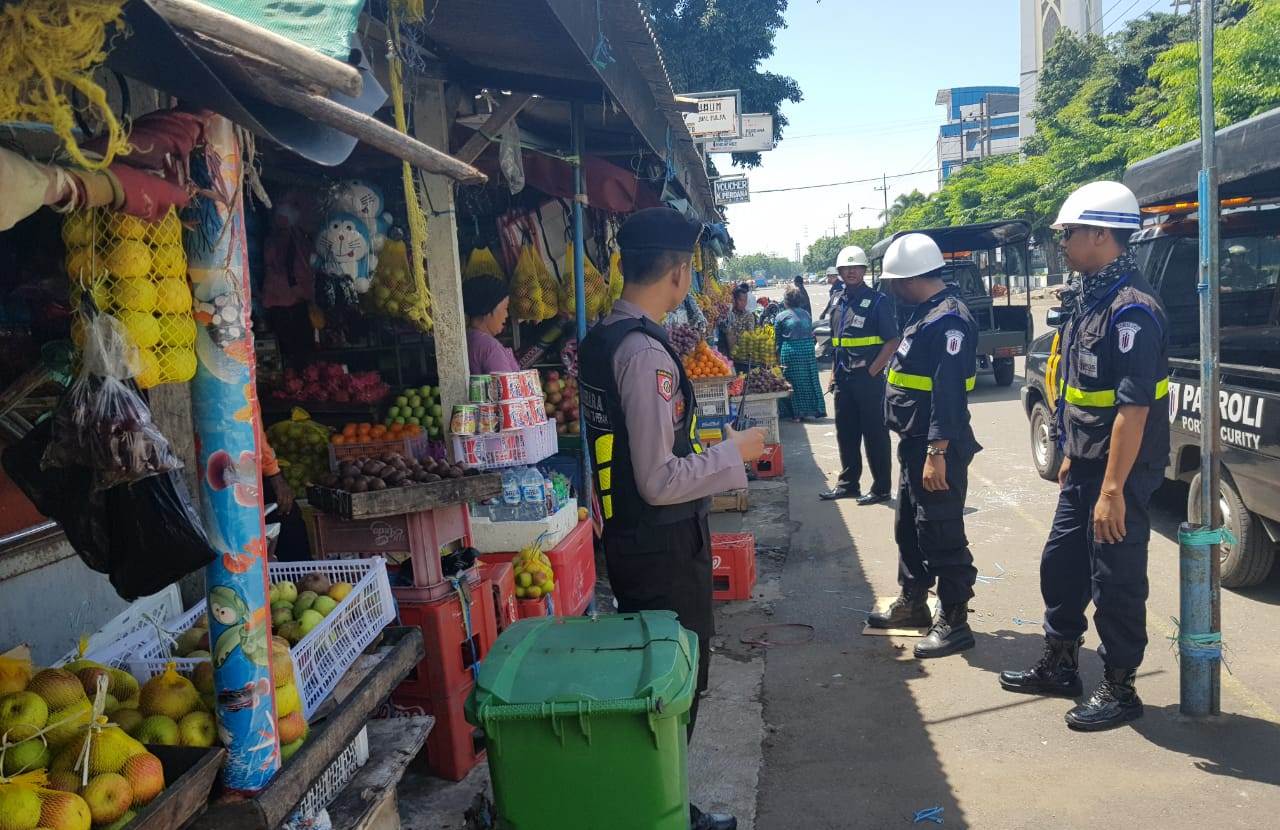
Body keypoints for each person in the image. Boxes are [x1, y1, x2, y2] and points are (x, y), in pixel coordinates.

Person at [579, 207, 765, 830]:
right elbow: (659, 481)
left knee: (655, 684)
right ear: (681, 274)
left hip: (631, 538)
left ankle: (662, 805)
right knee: (674, 687)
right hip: (660, 546)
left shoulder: (601, 340)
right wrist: (732, 455)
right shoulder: (646, 356)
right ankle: (663, 812)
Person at [998, 181, 1169, 731]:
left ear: (1102, 233)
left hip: (1120, 469)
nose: (1064, 242)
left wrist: (1113, 490)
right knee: (1062, 563)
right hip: (1087, 461)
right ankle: (1061, 663)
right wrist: (1070, 450)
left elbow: (1133, 410)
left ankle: (1120, 687)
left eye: (1070, 233)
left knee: (1114, 576)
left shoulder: (1131, 310)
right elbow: (1077, 391)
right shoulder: (1092, 296)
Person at [866, 234, 981, 659]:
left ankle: (955, 620)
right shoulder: (923, 313)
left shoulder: (947, 320)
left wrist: (937, 452)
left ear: (912, 278)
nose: (892, 288)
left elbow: (948, 393)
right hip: (914, 442)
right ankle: (913, 602)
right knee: (909, 528)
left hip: (937, 448)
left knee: (941, 532)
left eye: (895, 280)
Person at [819, 245, 899, 504]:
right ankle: (848, 484)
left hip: (868, 379)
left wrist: (874, 370)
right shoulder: (837, 300)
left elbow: (892, 341)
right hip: (843, 378)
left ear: (864, 270)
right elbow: (837, 343)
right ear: (839, 271)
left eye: (856, 267)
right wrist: (832, 375)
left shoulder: (878, 302)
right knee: (846, 433)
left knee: (875, 434)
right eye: (846, 268)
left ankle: (881, 488)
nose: (851, 272)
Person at [774, 287, 826, 421]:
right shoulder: (806, 314)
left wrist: (777, 357)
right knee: (810, 380)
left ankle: (796, 413)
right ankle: (815, 410)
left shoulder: (781, 317)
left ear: (786, 302)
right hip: (808, 350)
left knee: (792, 381)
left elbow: (778, 340)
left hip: (791, 350)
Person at [463, 275, 520, 373]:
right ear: (489, 308)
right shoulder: (490, 348)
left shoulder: (466, 338)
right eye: (505, 308)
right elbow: (505, 387)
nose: (506, 315)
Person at [717, 283, 757, 368]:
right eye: (741, 300)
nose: (744, 303)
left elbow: (750, 336)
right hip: (727, 357)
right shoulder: (727, 315)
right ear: (734, 300)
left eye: (745, 300)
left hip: (743, 357)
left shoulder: (749, 316)